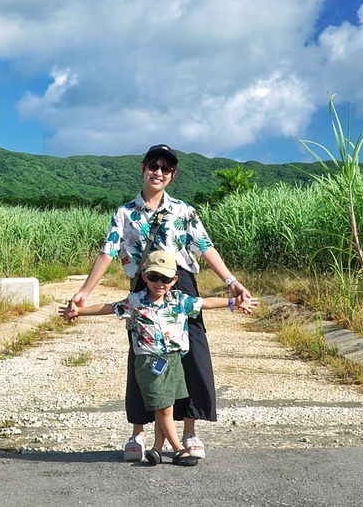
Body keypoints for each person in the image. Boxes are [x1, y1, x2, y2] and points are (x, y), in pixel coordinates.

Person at [69, 143, 253, 462]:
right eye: (153, 166)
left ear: (173, 175)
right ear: (142, 168)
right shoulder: (125, 213)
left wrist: (231, 281)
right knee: (143, 356)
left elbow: (205, 246)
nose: (158, 172)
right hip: (144, 281)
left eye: (165, 168)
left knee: (192, 354)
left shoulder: (184, 211)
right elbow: (108, 251)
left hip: (180, 281)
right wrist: (84, 292)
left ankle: (190, 431)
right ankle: (138, 433)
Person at [62, 250, 258, 466]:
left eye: (165, 279)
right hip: (150, 363)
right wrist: (79, 311)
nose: (159, 283)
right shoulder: (136, 302)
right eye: (154, 277)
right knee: (163, 407)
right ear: (144, 276)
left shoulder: (180, 300)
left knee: (167, 405)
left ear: (174, 280)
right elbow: (109, 308)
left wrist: (233, 302)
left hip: (174, 360)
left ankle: (156, 448)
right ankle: (179, 449)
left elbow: (205, 303)